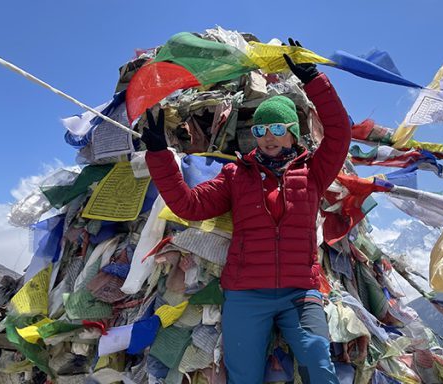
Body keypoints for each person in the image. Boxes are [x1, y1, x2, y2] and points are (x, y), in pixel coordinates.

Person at [141, 38, 350, 384]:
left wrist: (316, 82)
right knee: (243, 375)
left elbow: (340, 133)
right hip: (246, 293)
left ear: (294, 135)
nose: (268, 137)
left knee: (318, 360)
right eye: (260, 130)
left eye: (278, 129)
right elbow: (187, 205)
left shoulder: (313, 172)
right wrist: (160, 154)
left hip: (300, 291)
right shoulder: (236, 176)